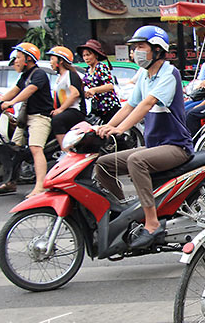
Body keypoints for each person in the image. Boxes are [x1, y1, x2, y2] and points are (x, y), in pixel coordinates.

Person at [95, 26, 194, 249]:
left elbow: (147, 103)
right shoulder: (144, 75)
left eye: (140, 47)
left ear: (158, 50)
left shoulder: (169, 74)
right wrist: (106, 127)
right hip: (154, 146)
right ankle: (123, 212)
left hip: (176, 147)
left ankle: (152, 223)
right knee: (102, 164)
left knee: (135, 161)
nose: (135, 52)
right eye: (134, 48)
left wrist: (121, 130)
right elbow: (129, 105)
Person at [0, 42, 53, 197]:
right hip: (25, 117)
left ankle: (40, 186)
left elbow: (30, 90)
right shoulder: (24, 76)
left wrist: (12, 102)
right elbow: (13, 91)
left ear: (28, 58)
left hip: (39, 118)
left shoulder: (38, 74)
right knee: (14, 148)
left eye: (19, 58)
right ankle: (11, 182)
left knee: (35, 148)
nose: (16, 61)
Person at [48, 46, 87, 152]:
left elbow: (75, 93)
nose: (50, 62)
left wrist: (60, 110)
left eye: (52, 59)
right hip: (66, 110)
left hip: (75, 110)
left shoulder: (70, 74)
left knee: (57, 120)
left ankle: (65, 151)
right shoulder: (59, 77)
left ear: (60, 61)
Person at [79, 39, 121, 123]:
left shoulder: (101, 67)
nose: (86, 58)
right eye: (84, 56)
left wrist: (94, 90)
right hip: (96, 107)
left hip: (109, 106)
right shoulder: (88, 70)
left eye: (88, 55)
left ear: (96, 55)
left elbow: (110, 86)